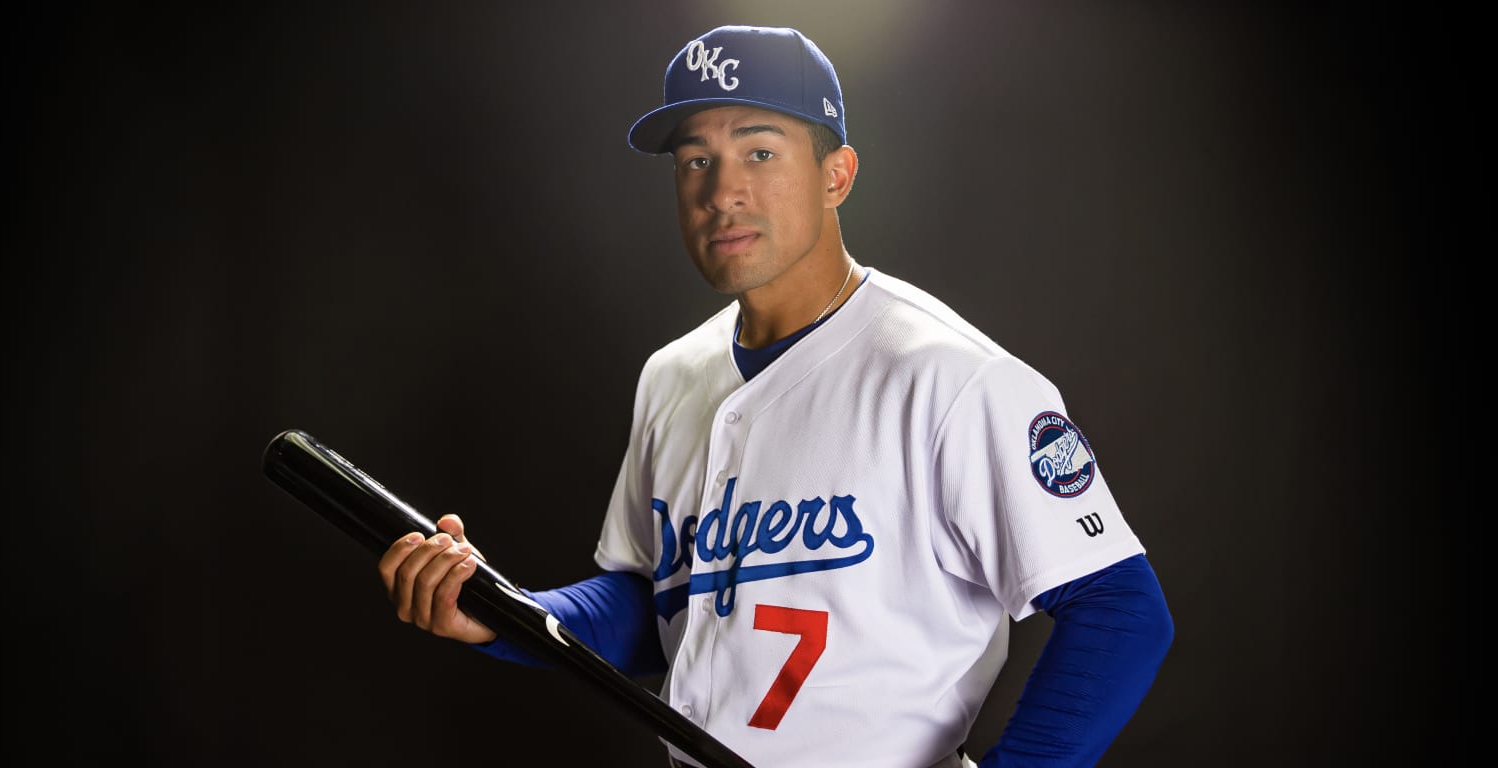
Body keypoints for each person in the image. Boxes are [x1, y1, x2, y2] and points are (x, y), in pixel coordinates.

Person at [377, 24, 1173, 768]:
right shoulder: (673, 375)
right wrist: (501, 612)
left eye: (759, 152)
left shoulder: (952, 378)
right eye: (695, 160)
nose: (722, 191)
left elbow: (1122, 610)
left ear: (837, 175)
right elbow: (653, 604)